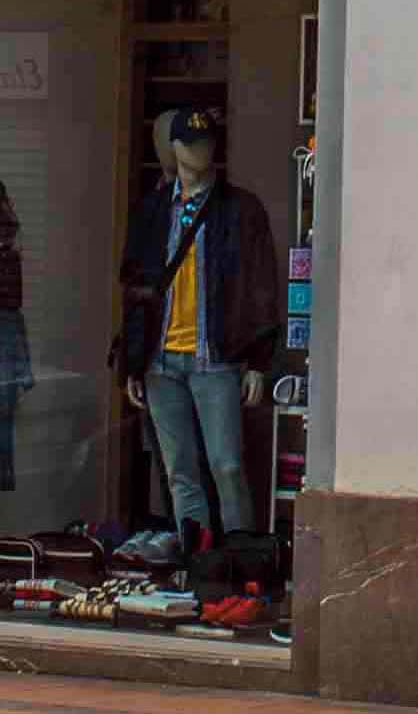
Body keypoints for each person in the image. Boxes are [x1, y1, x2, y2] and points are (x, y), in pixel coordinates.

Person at [112, 106, 273, 549]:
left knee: (227, 466)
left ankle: (243, 562)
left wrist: (259, 360)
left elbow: (259, 285)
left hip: (214, 359)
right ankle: (198, 563)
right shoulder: (150, 211)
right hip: (161, 362)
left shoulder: (240, 210)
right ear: (175, 149)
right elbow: (135, 288)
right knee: (180, 470)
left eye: (207, 142)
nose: (200, 151)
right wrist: (132, 362)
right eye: (190, 143)